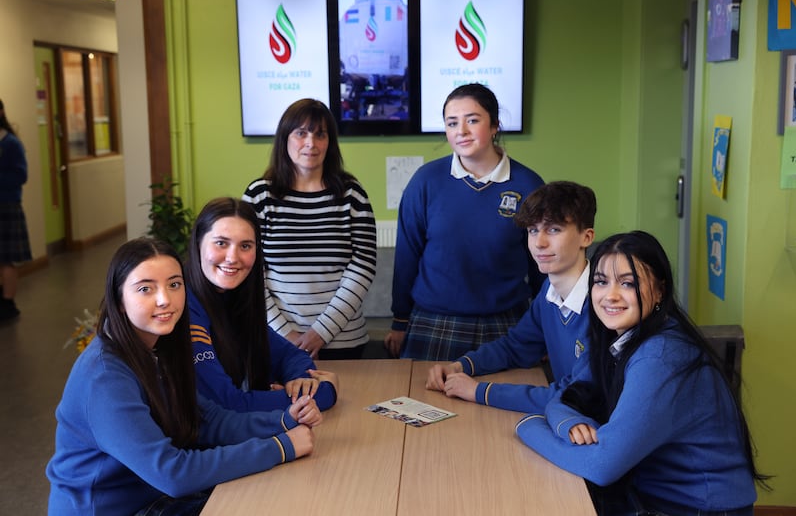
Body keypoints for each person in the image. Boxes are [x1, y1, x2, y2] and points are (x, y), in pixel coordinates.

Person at [47, 238, 321, 516]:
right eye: (145, 289)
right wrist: (280, 447)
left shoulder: (161, 346)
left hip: (153, 496)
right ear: (119, 301)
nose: (165, 299)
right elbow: (173, 473)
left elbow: (208, 419)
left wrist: (285, 420)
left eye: (174, 284)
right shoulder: (104, 376)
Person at [515, 231, 767, 516]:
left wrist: (529, 426)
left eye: (628, 283)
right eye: (600, 282)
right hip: (650, 496)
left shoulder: (661, 355)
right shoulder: (618, 339)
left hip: (695, 509)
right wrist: (568, 422)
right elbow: (565, 397)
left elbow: (602, 466)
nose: (610, 295)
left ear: (659, 290)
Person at [384, 83, 545, 360]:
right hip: (434, 321)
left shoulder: (528, 184)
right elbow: (407, 257)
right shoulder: (425, 181)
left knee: (505, 402)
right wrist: (400, 320)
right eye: (452, 123)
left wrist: (544, 328)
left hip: (507, 323)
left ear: (494, 125)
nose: (462, 131)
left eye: (472, 120)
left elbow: (543, 266)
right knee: (423, 403)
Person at [425, 181, 596, 413]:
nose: (539, 242)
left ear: (586, 237)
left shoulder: (604, 306)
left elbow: (574, 396)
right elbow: (515, 347)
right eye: (533, 230)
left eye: (554, 229)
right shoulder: (549, 292)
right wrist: (460, 366)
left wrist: (480, 391)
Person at [243, 98, 377, 359]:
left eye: (320, 134)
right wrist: (287, 335)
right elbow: (249, 271)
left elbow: (363, 266)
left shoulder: (351, 193)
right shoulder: (259, 195)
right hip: (275, 341)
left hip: (342, 341)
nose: (310, 143)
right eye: (301, 133)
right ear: (285, 138)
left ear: (330, 142)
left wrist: (321, 332)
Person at [186, 197, 338, 413]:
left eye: (245, 246)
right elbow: (227, 404)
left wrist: (302, 381)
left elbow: (289, 355)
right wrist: (323, 393)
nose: (232, 257)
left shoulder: (232, 298)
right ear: (198, 243)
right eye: (221, 243)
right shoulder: (183, 305)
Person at [0, 99, 32, 321]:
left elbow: (20, 176)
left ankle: (8, 302)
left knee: (7, 259)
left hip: (6, 206)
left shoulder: (11, 143)